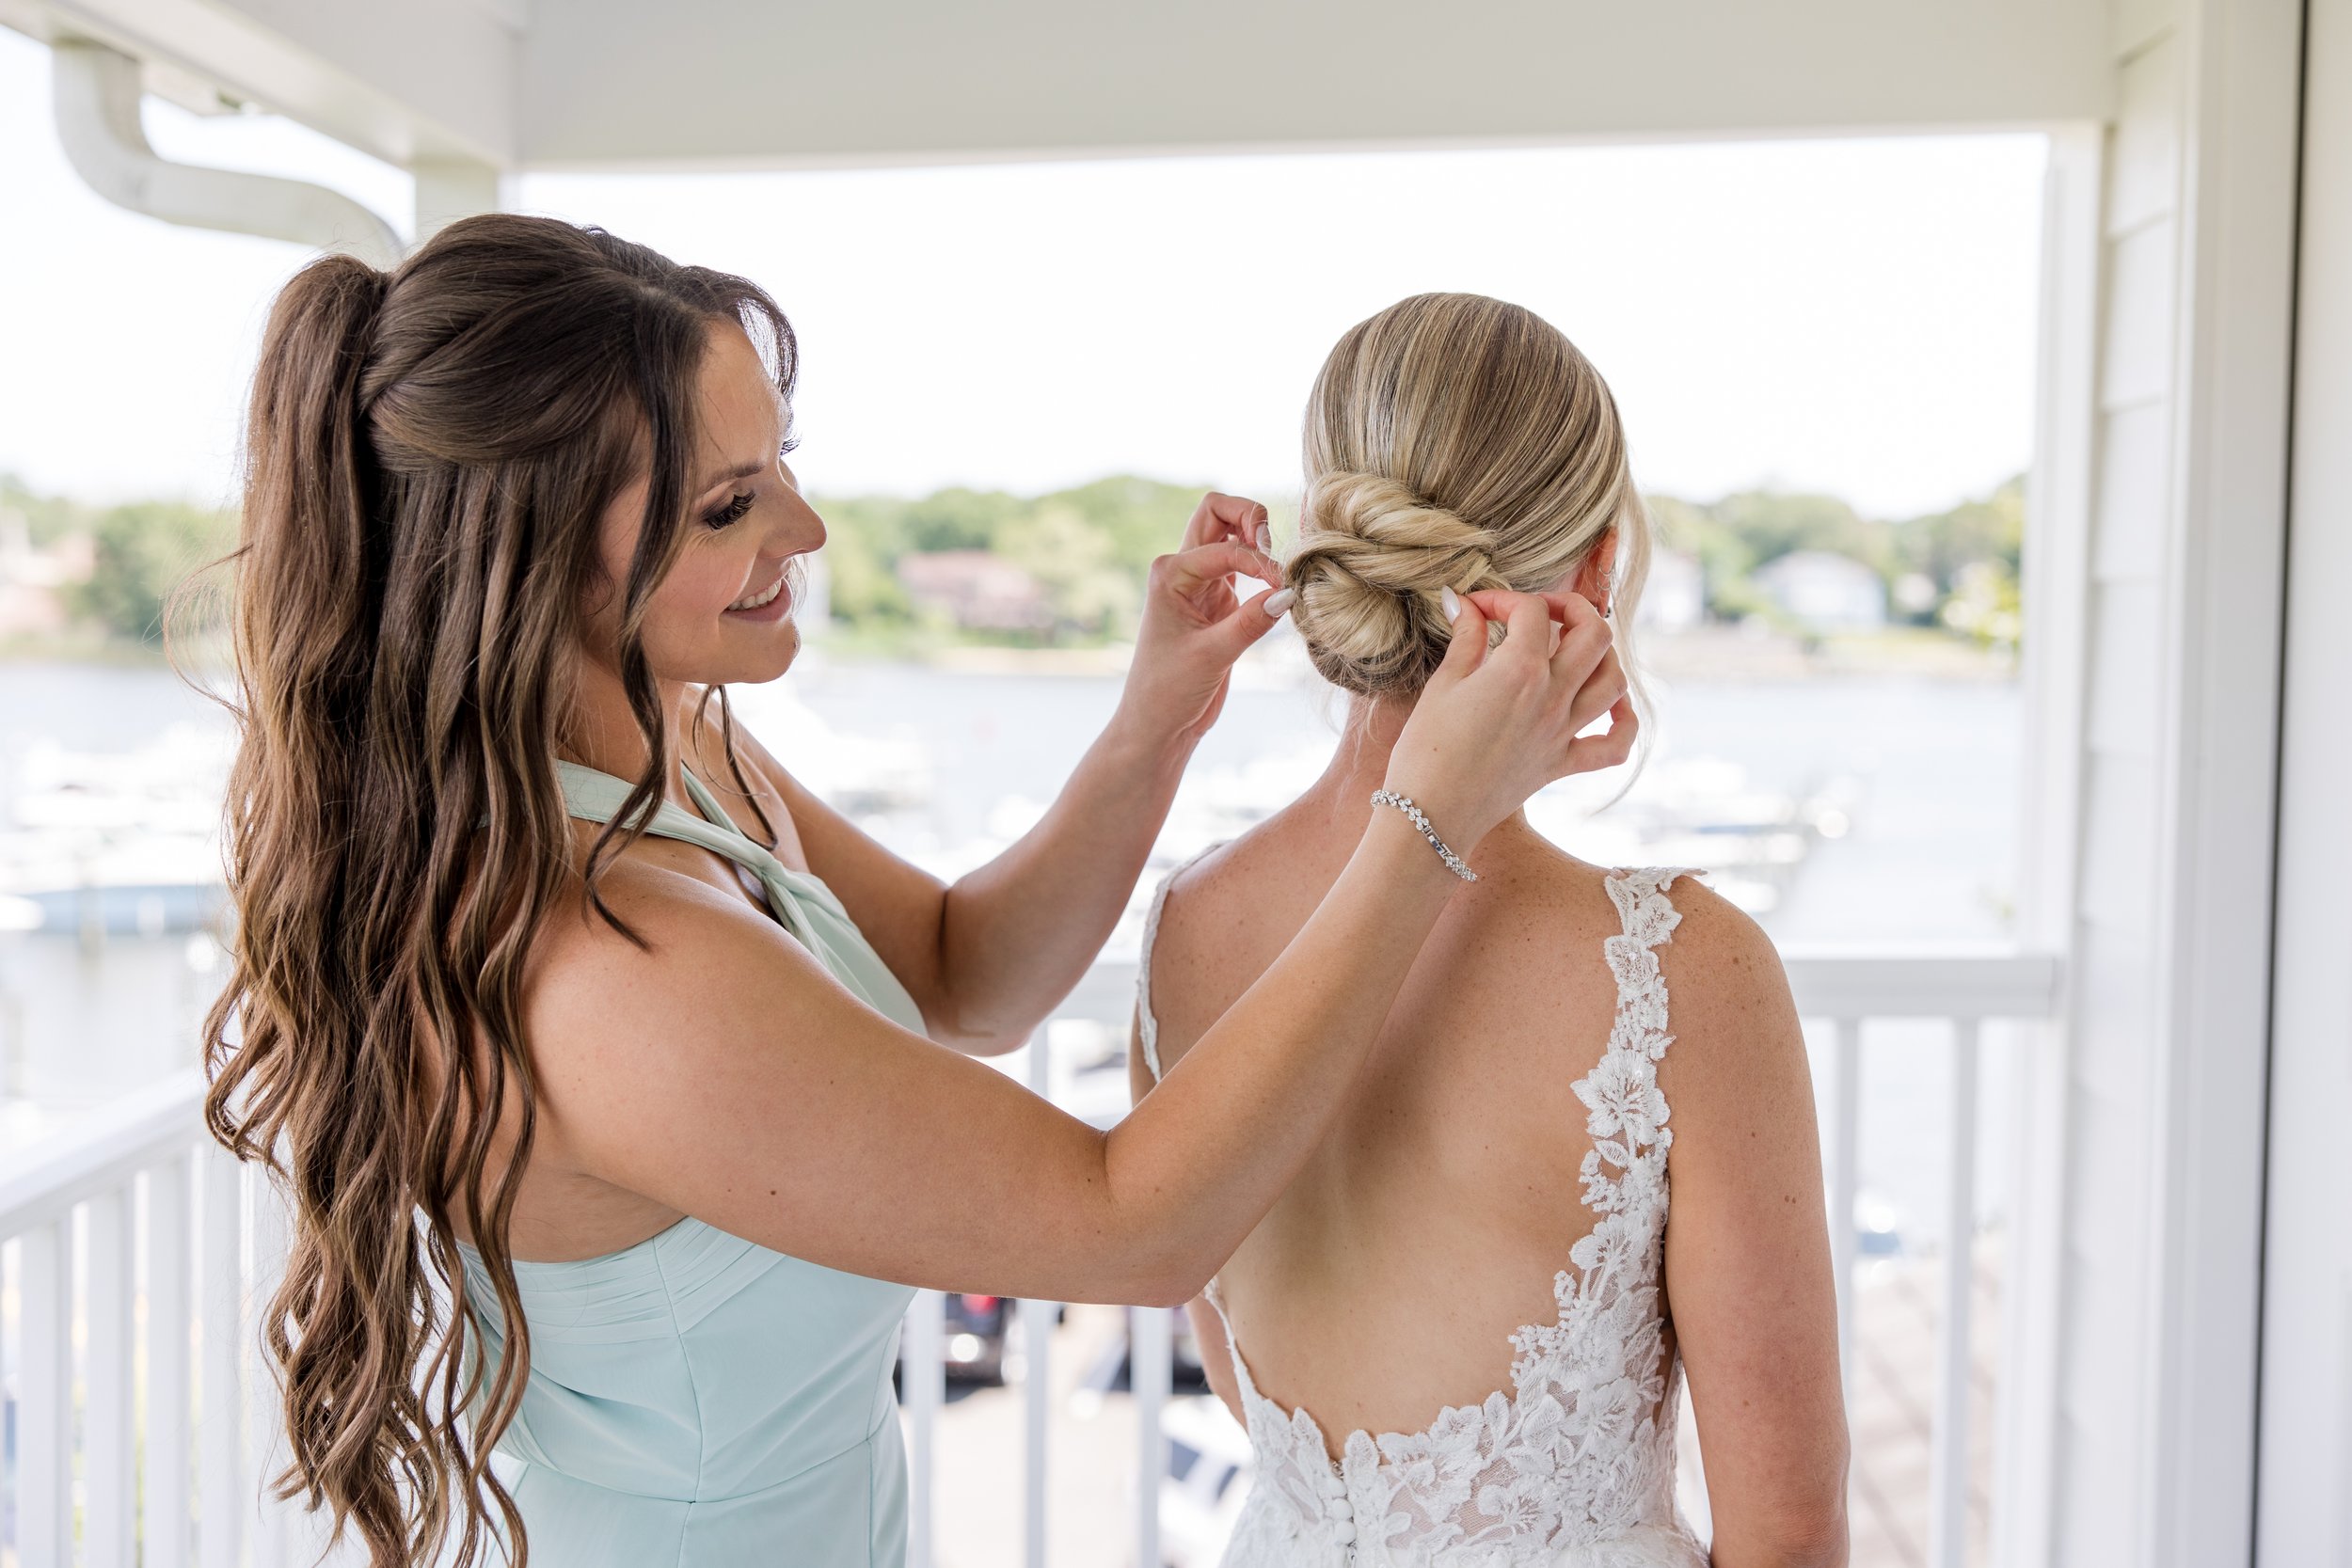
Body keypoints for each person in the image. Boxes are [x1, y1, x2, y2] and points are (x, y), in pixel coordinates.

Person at [199, 219, 1638, 1567]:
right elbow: (1131, 1227)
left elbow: (964, 978)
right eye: (729, 505)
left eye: (783, 464)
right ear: (528, 551)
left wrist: (1150, 728)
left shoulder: (676, 743)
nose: (808, 532)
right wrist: (1429, 819)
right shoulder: (608, 974)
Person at [1132, 293, 1848, 1567]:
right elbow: (1786, 1530)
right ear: (1595, 575)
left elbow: (1249, 1395)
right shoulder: (1686, 972)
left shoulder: (1189, 924)